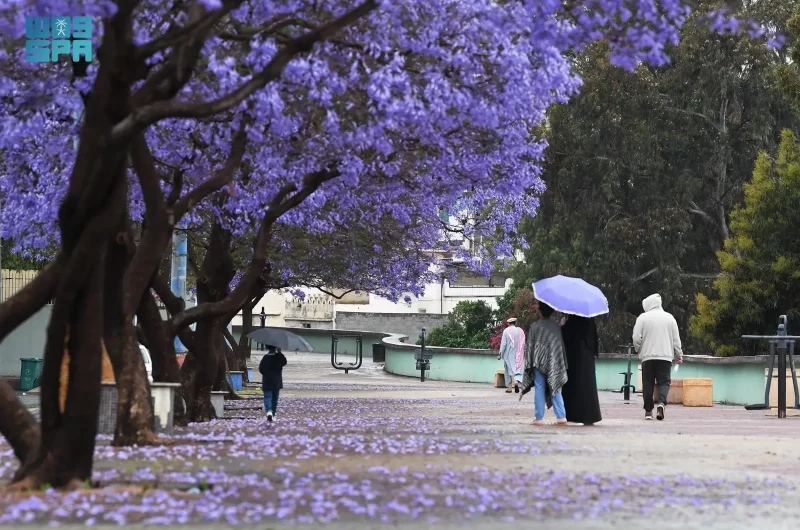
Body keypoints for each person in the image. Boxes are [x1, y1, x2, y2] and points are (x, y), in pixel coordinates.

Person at [632, 293, 683, 421]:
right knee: (664, 382)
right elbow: (676, 340)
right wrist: (678, 355)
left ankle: (648, 411)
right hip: (665, 357)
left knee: (648, 383)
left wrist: (639, 350)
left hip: (647, 357)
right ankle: (661, 403)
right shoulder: (670, 318)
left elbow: (636, 338)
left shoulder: (642, 318)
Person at [521, 302, 568, 426]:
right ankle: (561, 416)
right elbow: (560, 348)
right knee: (555, 387)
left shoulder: (534, 326)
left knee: (539, 387)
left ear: (540, 311)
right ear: (551, 311)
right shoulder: (556, 327)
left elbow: (530, 348)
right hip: (553, 362)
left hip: (537, 362)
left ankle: (539, 418)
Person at [560, 315, 602, 426]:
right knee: (588, 388)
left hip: (574, 358)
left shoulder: (572, 322)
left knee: (573, 387)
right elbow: (594, 339)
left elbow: (565, 336)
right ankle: (590, 416)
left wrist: (563, 325)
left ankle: (573, 414)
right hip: (587, 358)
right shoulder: (590, 321)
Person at [258, 344, 287, 422]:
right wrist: (280, 352)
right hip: (276, 381)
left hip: (267, 381)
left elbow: (261, 369)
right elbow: (284, 362)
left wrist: (267, 374)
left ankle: (269, 412)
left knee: (267, 397)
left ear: (267, 347)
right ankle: (273, 414)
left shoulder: (265, 358)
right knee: (275, 398)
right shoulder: (279, 357)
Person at [497, 317, 525, 393]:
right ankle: (516, 382)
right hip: (519, 354)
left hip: (509, 354)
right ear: (515, 323)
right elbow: (523, 343)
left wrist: (500, 354)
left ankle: (509, 387)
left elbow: (503, 344)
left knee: (509, 368)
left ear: (508, 323)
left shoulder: (506, 331)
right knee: (517, 369)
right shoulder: (521, 331)